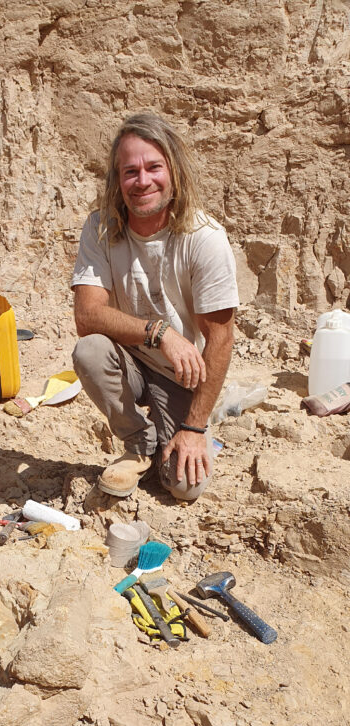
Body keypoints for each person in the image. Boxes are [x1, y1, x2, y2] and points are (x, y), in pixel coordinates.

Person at [71, 111, 239, 500]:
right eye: (130, 171)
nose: (142, 181)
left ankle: (184, 431)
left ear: (173, 172)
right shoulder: (100, 227)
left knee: (184, 487)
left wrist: (194, 429)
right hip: (126, 358)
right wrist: (159, 332)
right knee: (90, 350)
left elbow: (220, 339)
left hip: (178, 373)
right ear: (117, 179)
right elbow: (87, 315)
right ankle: (139, 442)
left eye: (153, 167)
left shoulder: (204, 238)